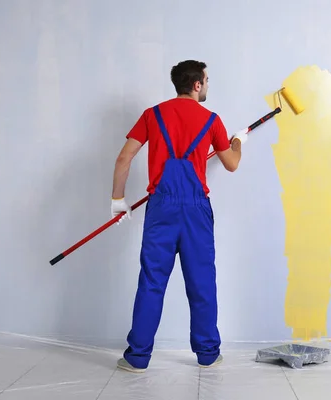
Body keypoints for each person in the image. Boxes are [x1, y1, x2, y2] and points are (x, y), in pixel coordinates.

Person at [109, 60, 247, 372]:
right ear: (197, 84)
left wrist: (118, 199)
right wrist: (238, 141)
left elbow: (123, 157)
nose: (208, 85)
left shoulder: (152, 115)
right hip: (196, 210)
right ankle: (208, 354)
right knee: (201, 283)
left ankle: (137, 357)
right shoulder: (212, 120)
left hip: (161, 208)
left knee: (152, 281)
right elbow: (232, 163)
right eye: (207, 80)